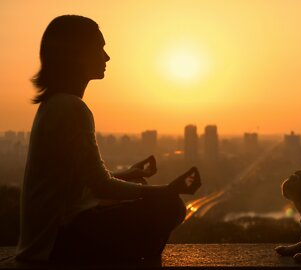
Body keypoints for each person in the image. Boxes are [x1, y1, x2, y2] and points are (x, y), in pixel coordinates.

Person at [16, 15, 201, 263]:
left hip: (48, 238)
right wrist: (167, 190)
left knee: (149, 194)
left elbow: (82, 180)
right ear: (78, 54)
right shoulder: (71, 107)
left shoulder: (56, 104)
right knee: (170, 206)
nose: (106, 57)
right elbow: (99, 185)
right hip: (56, 244)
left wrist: (129, 173)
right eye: (99, 48)